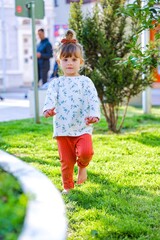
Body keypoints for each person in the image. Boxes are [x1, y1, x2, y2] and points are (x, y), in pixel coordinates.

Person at [43, 29, 100, 194]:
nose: (70, 63)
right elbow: (50, 98)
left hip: (82, 126)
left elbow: (92, 99)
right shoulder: (56, 83)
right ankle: (68, 187)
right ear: (59, 62)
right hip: (62, 128)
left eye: (74, 59)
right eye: (65, 59)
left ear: (80, 62)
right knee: (66, 162)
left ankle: (83, 167)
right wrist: (48, 109)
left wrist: (94, 115)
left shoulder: (85, 82)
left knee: (86, 152)